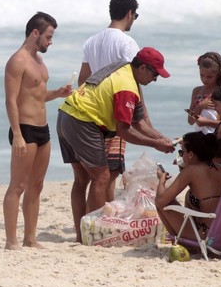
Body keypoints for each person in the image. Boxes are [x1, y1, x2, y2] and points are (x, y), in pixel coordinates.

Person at [56, 47, 175, 243]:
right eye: (155, 74)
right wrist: (155, 144)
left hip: (67, 114)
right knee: (101, 177)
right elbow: (124, 131)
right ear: (143, 68)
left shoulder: (124, 70)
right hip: (83, 121)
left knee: (81, 179)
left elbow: (140, 122)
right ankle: (92, 236)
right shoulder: (126, 87)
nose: (156, 79)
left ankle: (81, 236)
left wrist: (161, 138)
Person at [3, 11, 73, 250]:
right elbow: (11, 101)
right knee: (18, 186)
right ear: (35, 33)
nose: (50, 42)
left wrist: (59, 93)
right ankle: (11, 242)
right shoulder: (17, 61)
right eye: (49, 37)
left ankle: (30, 238)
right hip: (25, 129)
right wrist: (18, 136)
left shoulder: (40, 61)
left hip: (43, 130)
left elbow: (39, 95)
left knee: (37, 185)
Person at [77, 0, 152, 203]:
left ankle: (87, 224)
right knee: (109, 174)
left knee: (93, 177)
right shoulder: (127, 43)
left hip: (91, 113)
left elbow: (83, 80)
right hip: (115, 113)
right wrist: (144, 119)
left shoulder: (91, 41)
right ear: (130, 13)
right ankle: (103, 220)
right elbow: (133, 83)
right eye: (135, 16)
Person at [155, 131, 221, 240]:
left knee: (162, 203)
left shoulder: (191, 171)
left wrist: (161, 181)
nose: (181, 155)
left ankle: (179, 241)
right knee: (189, 195)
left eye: (182, 152)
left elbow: (161, 201)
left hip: (204, 235)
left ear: (191, 154)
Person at [186, 52, 221, 134]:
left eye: (209, 77)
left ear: (218, 74)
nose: (205, 80)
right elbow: (190, 121)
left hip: (215, 138)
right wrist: (200, 106)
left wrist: (206, 122)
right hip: (199, 138)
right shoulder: (197, 91)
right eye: (202, 75)